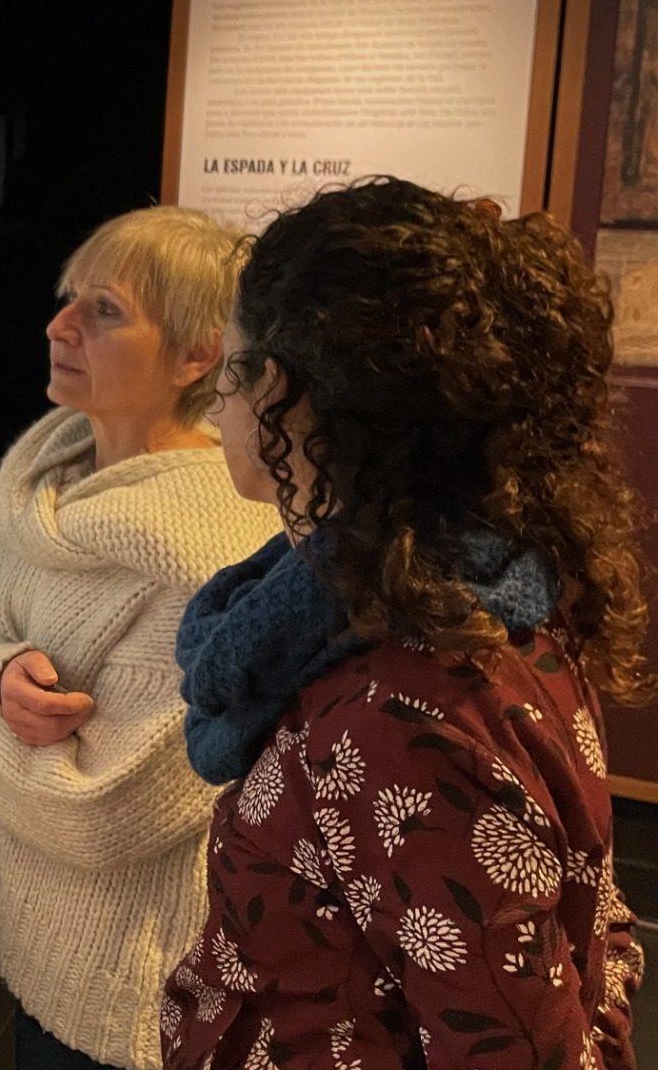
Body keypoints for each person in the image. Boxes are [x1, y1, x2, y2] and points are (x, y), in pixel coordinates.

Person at [163, 180, 646, 1070]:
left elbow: (513, 1048)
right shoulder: (478, 589)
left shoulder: (402, 707)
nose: (221, 407)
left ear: (278, 390)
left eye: (230, 373)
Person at [0, 205, 281, 1070]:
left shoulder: (213, 553)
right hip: (35, 942)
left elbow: (97, 814)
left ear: (199, 354)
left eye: (104, 310)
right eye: (68, 299)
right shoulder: (57, 479)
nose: (59, 325)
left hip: (136, 994)